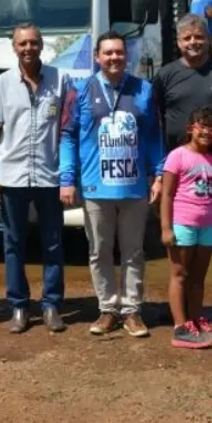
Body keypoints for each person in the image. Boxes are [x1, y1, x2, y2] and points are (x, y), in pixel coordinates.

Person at [59, 31, 165, 338]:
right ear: (97, 57)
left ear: (126, 55)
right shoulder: (79, 91)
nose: (114, 57)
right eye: (108, 53)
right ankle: (107, 309)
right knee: (99, 250)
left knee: (134, 251)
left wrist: (158, 174)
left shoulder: (143, 89)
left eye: (119, 52)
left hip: (134, 188)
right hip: (95, 186)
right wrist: (67, 179)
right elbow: (67, 136)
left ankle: (132, 310)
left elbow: (155, 135)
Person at [152, 13, 212, 329]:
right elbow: (155, 123)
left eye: (198, 36)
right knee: (181, 247)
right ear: (179, 42)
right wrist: (157, 171)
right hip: (178, 173)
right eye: (186, 38)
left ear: (207, 38)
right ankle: (184, 314)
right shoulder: (166, 75)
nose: (193, 42)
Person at [0, 23, 70, 334]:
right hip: (12, 177)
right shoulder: (1, 84)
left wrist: (70, 175)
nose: (28, 48)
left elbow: (68, 130)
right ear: (14, 47)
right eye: (22, 44)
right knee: (13, 243)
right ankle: (18, 306)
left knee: (53, 243)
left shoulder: (60, 80)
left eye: (34, 42)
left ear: (42, 45)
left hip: (50, 175)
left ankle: (51, 305)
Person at [160, 106, 212, 349]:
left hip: (207, 226)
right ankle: (180, 326)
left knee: (198, 277)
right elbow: (166, 194)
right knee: (180, 274)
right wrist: (166, 228)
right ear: (191, 128)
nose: (207, 131)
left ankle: (196, 320)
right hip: (182, 224)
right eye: (202, 126)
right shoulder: (177, 156)